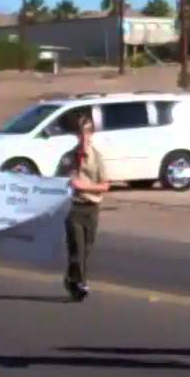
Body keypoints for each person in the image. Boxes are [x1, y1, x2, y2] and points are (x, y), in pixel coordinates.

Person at [57, 112, 110, 301]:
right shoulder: (68, 158)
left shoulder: (97, 158)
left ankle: (71, 279)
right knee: (77, 248)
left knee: (86, 249)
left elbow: (105, 185)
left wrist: (85, 186)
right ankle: (82, 282)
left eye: (87, 132)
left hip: (91, 207)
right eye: (80, 133)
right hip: (73, 208)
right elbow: (58, 181)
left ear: (92, 134)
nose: (84, 136)